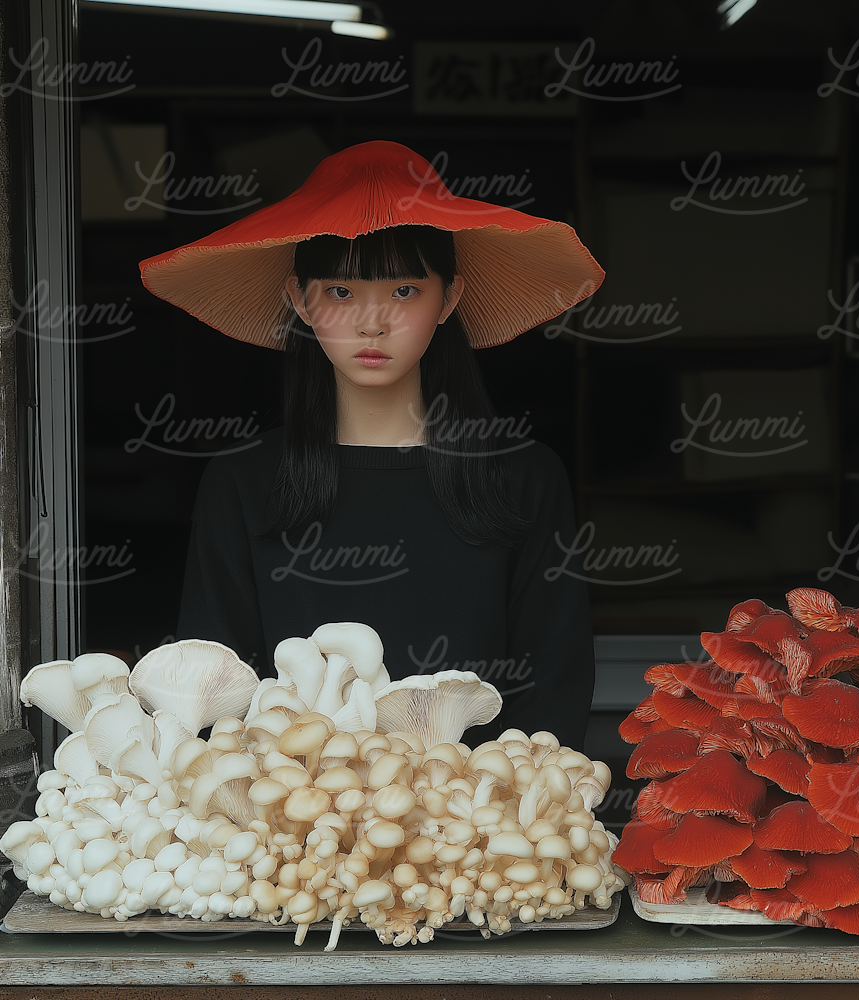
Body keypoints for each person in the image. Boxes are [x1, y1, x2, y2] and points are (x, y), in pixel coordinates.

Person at [139, 141, 604, 749]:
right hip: (291, 826)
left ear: (450, 300)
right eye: (340, 292)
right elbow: (210, 692)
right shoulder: (242, 483)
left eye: (405, 291)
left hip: (482, 825)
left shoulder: (524, 478)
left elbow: (554, 686)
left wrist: (500, 823)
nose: (372, 321)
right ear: (299, 302)